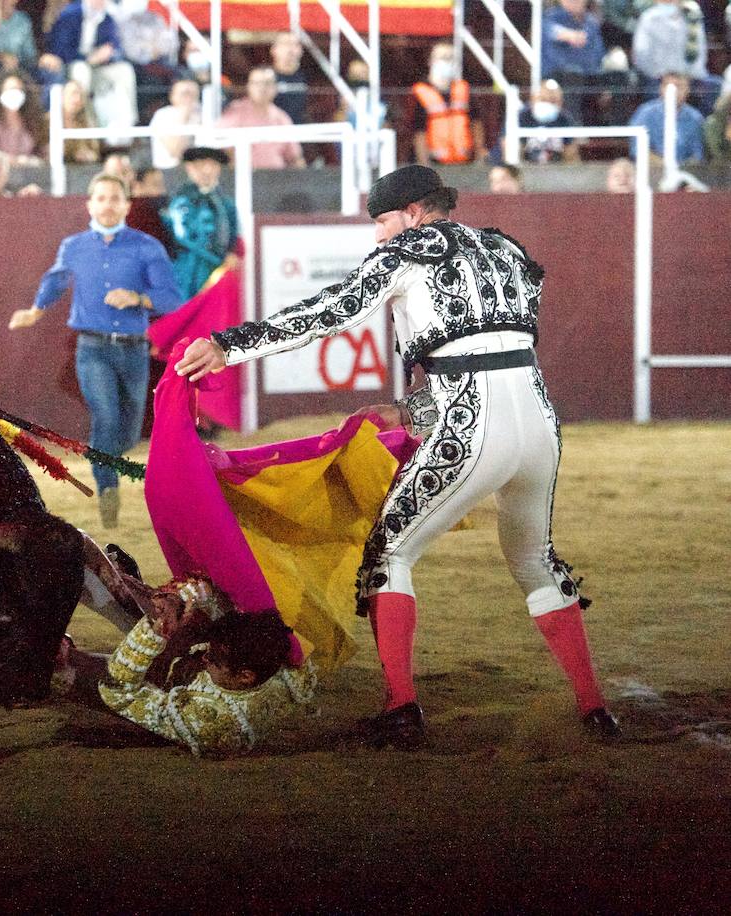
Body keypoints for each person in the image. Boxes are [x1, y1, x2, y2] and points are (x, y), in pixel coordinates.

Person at [174, 164, 620, 746]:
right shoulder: (507, 249)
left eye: (383, 220)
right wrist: (413, 409)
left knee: (388, 553)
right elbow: (492, 350)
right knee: (535, 560)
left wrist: (230, 344)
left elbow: (332, 311)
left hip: (472, 427)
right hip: (539, 424)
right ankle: (594, 707)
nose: (379, 233)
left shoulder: (408, 250)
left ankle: (401, 707)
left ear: (412, 212)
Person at [8, 172, 182, 527]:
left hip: (134, 350)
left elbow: (171, 298)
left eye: (115, 198)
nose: (107, 205)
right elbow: (55, 280)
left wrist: (138, 298)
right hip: (92, 348)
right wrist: (36, 310)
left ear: (127, 206)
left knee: (129, 432)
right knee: (105, 415)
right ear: (89, 204)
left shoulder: (147, 247)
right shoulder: (74, 246)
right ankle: (107, 488)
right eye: (101, 198)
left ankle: (103, 462)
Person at [64, 574, 317, 756]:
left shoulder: (209, 721)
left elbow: (118, 689)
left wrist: (154, 632)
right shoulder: (272, 652)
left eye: (213, 659)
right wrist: (176, 600)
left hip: (155, 693)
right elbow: (212, 593)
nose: (205, 657)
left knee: (60, 665)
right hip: (176, 665)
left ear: (245, 676)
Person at [41, 0, 137, 137]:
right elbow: (61, 50)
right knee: (82, 70)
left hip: (97, 67)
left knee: (125, 70)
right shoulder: (70, 14)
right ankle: (86, 120)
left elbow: (116, 46)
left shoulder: (107, 18)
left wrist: (109, 53)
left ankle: (129, 123)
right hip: (72, 66)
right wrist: (88, 59)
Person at [162, 146, 240, 299]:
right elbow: (183, 236)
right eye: (200, 165)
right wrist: (219, 258)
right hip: (188, 268)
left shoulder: (226, 204)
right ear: (189, 167)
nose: (207, 170)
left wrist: (230, 254)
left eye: (212, 165)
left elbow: (232, 234)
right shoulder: (181, 202)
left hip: (219, 271)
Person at [215, 66, 305, 169]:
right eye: (257, 83)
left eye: (267, 83)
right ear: (249, 86)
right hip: (243, 175)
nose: (262, 88)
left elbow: (295, 158)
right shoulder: (235, 111)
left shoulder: (281, 118)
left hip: (276, 176)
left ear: (275, 88)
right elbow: (218, 144)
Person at [411, 42, 484, 165]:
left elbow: (476, 124)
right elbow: (419, 132)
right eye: (443, 58)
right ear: (431, 61)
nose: (447, 62)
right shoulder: (420, 92)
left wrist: (479, 155)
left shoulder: (463, 89)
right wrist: (424, 165)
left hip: (465, 162)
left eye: (451, 58)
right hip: (434, 162)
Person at [628, 71, 705, 165]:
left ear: (687, 90)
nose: (674, 92)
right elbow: (638, 150)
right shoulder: (645, 113)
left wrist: (679, 169)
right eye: (667, 86)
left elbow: (697, 155)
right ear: (661, 88)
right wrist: (667, 166)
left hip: (683, 170)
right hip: (650, 169)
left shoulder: (695, 118)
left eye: (679, 86)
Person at [0, 68, 45, 164]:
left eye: (19, 90)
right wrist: (15, 160)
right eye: (10, 89)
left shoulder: (30, 121)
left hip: (26, 172)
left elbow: (39, 151)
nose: (15, 93)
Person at [147, 77, 200, 170]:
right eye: (185, 94)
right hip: (170, 169)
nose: (189, 98)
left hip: (198, 168)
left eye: (193, 94)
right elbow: (175, 151)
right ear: (172, 96)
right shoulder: (163, 115)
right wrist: (184, 117)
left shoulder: (202, 113)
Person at [268, 30, 308, 124]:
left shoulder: (309, 77)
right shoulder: (266, 78)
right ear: (273, 50)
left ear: (301, 50)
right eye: (285, 44)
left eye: (295, 45)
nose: (290, 50)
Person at [60, 79, 100, 164]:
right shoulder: (48, 121)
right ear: (62, 96)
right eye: (73, 94)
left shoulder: (87, 123)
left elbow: (95, 152)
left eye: (81, 96)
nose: (77, 99)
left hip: (80, 168)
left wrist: (89, 155)